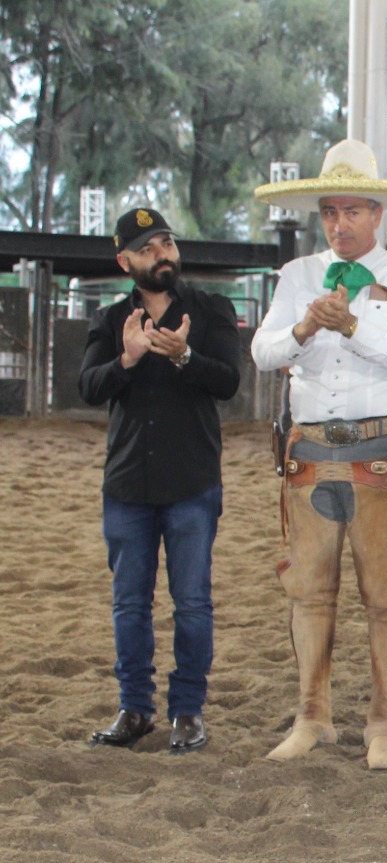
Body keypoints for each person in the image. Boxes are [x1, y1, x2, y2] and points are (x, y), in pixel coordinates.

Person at [250, 140, 387, 770]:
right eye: (330, 211)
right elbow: (264, 351)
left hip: (379, 446)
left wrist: (353, 326)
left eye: (352, 211)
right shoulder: (296, 274)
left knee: (386, 589)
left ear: (378, 214)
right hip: (309, 445)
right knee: (308, 588)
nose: (339, 224)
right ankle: (313, 714)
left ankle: (384, 719)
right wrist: (306, 327)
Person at [78, 208, 241, 754]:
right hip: (126, 486)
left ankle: (188, 712)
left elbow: (228, 381)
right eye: (148, 248)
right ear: (125, 261)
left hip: (193, 483)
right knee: (130, 604)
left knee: (192, 602)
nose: (162, 254)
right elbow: (89, 388)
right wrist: (126, 360)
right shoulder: (108, 321)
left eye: (167, 242)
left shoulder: (212, 309)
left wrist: (186, 356)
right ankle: (135, 710)